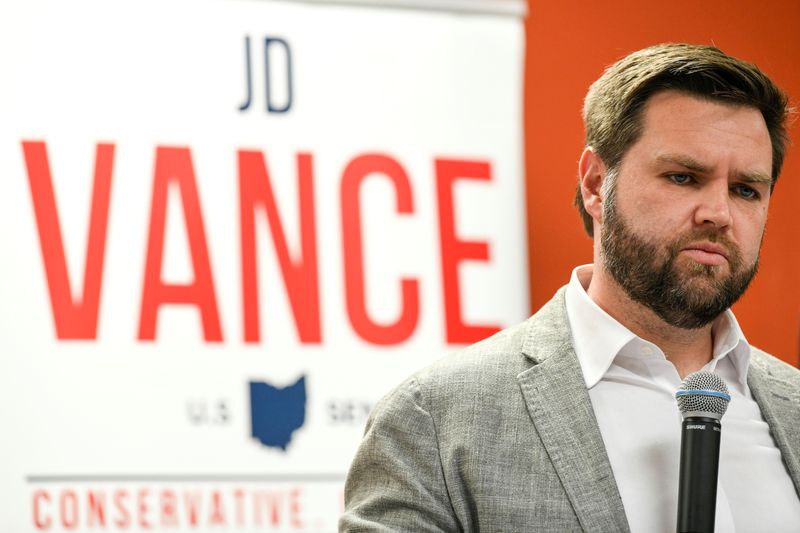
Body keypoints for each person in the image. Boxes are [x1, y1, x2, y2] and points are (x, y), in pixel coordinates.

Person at [339, 43, 800, 532]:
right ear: (596, 184)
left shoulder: (792, 406)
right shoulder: (432, 418)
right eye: (683, 177)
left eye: (746, 189)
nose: (719, 213)